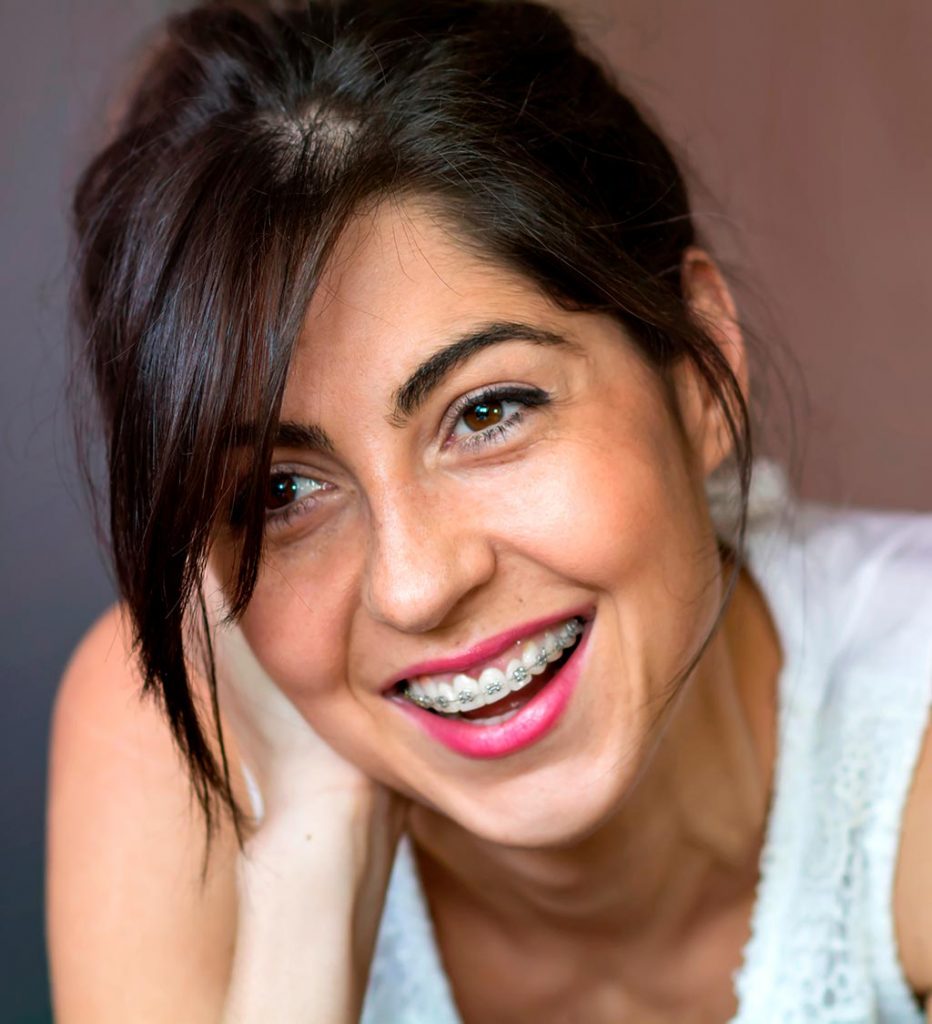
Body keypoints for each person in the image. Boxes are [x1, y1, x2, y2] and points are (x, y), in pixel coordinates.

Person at [45, 1, 932, 1021]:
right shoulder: (168, 747)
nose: (416, 585)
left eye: (487, 412)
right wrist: (308, 870)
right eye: (280, 493)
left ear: (694, 366)